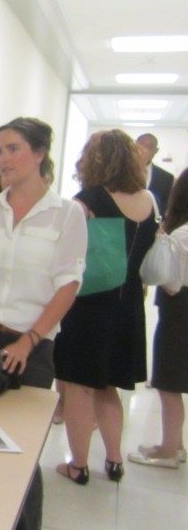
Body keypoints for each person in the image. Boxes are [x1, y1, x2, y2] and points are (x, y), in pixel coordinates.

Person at [0, 117, 86, 529]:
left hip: (33, 348)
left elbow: (68, 285)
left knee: (20, 450)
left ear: (39, 154)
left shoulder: (65, 215)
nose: (2, 158)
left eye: (13, 149)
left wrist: (29, 340)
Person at [54, 130, 159, 485]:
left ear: (94, 159)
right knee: (109, 387)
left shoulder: (89, 199)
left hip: (90, 305)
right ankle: (114, 461)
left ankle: (78, 466)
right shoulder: (148, 200)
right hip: (129, 304)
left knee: (79, 388)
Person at [128, 167, 188, 469]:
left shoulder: (182, 234)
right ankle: (175, 444)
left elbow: (173, 282)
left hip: (180, 313)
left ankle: (168, 451)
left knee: (169, 383)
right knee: (174, 381)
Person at [136, 133, 174, 216]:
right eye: (142, 145)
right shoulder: (120, 172)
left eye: (150, 147)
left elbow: (166, 205)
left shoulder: (166, 177)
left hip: (152, 225)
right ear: (134, 147)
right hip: (122, 224)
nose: (145, 150)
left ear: (156, 151)